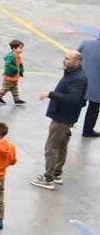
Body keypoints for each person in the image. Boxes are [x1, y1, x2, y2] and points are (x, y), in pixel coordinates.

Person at [31, 49, 88, 190]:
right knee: (61, 146)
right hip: (64, 116)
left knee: (51, 148)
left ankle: (48, 178)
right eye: (65, 58)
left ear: (77, 61)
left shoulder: (78, 79)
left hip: (62, 118)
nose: (64, 60)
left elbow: (73, 99)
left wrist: (50, 94)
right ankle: (56, 174)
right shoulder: (72, 74)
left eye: (68, 59)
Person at [80, 32, 100, 138]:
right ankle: (87, 131)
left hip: (80, 82)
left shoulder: (85, 44)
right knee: (94, 108)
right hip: (97, 86)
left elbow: (75, 58)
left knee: (75, 105)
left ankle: (67, 127)